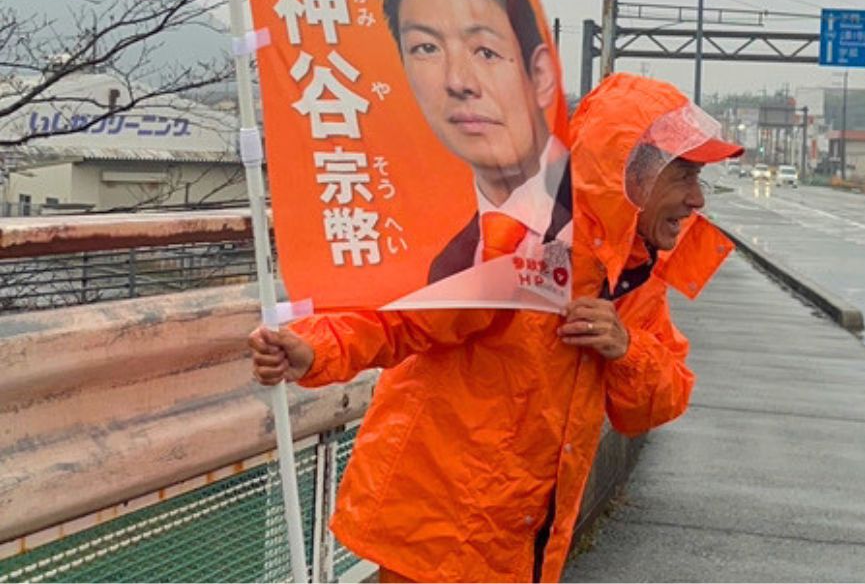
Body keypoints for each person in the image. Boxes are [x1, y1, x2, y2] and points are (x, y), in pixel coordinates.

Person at [248, 72, 743, 582]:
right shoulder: (516, 237)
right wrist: (312, 346)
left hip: (521, 543)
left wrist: (626, 348)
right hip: (435, 533)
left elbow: (659, 403)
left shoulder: (632, 275)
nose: (696, 199)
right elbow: (403, 311)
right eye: (684, 176)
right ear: (630, 170)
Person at [379, 0, 569, 287]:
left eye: (485, 51)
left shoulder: (604, 222)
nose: (457, 82)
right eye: (426, 48)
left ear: (541, 75)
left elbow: (660, 337)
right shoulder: (445, 256)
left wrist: (621, 342)